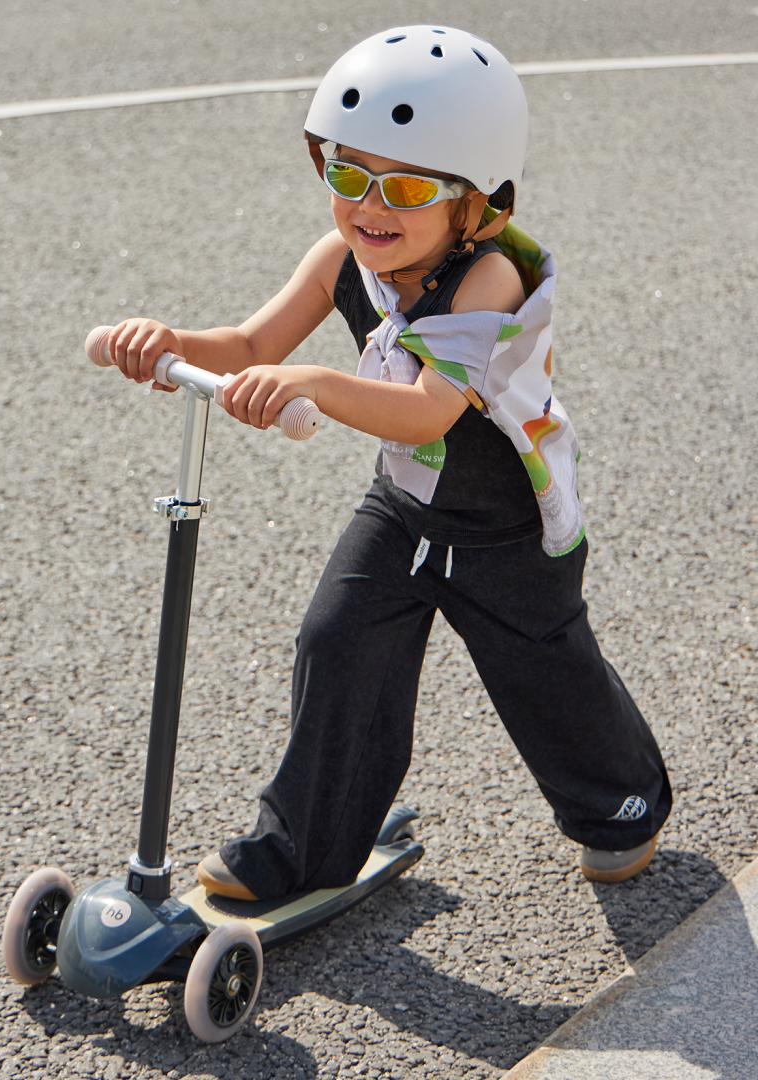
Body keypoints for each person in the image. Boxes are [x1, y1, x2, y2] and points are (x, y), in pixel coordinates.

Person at [103, 25, 672, 901]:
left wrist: (317, 385)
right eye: (346, 174)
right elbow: (252, 341)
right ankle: (300, 848)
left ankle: (622, 804)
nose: (369, 205)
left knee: (544, 675)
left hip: (507, 532)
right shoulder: (345, 258)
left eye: (403, 185)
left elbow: (429, 408)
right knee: (337, 647)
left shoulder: (489, 283)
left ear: (478, 207)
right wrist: (172, 342)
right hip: (406, 509)